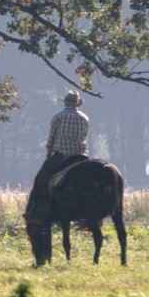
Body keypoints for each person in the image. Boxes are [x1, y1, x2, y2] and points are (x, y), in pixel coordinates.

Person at [24, 90, 90, 221]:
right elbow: (84, 137)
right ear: (77, 104)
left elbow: (51, 139)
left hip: (62, 155)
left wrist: (49, 153)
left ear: (65, 102)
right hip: (81, 156)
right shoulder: (84, 118)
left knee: (40, 180)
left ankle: (35, 212)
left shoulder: (58, 117)